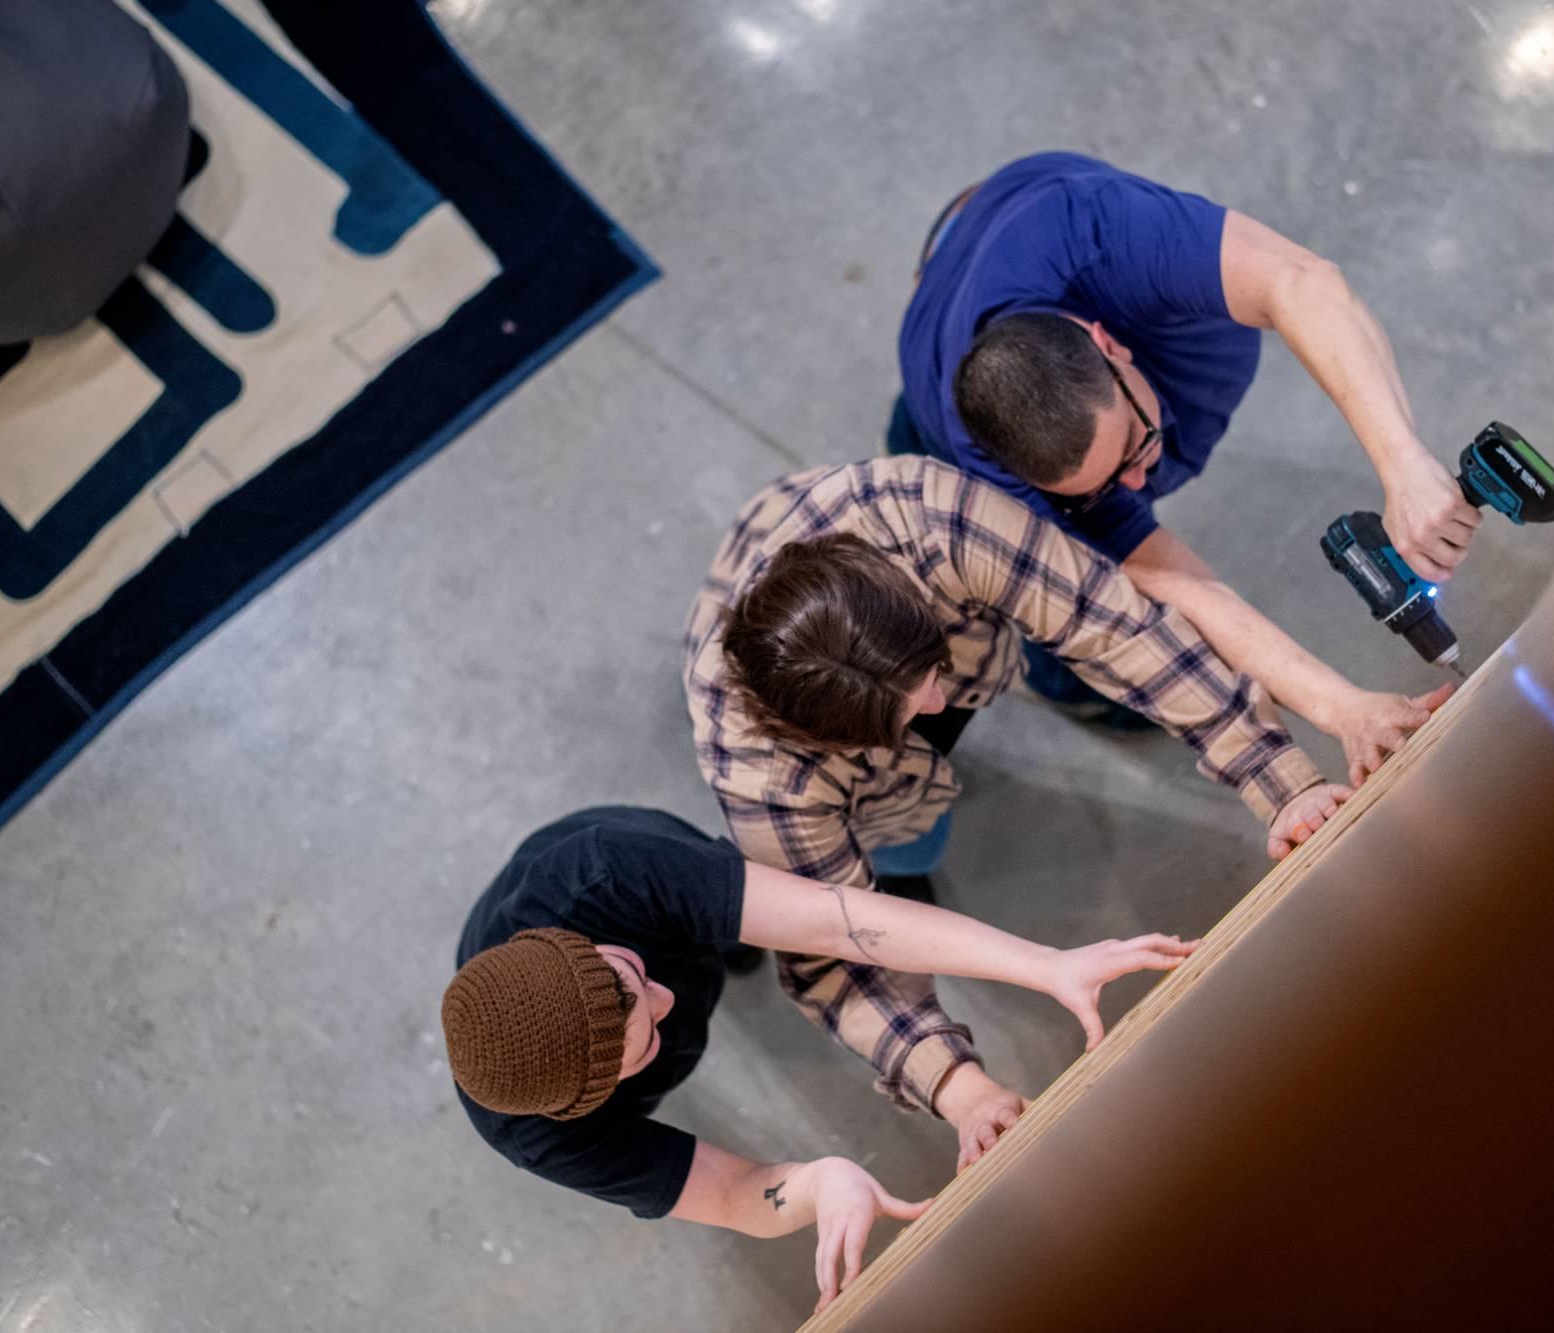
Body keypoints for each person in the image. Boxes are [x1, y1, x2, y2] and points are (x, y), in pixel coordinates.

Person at [682, 455, 1442, 1168]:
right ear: (825, 739)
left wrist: (1280, 779)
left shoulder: (930, 515)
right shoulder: (764, 772)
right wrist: (958, 1086)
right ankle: (888, 855)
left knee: (940, 757)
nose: (942, 701)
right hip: (834, 774)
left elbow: (1116, 627)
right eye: (914, 711)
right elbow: (830, 955)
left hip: (849, 614)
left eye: (934, 671)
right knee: (899, 852)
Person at [442, 805, 1194, 1312]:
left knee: (736, 924)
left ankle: (720, 932)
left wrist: (1044, 963)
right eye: (646, 1040)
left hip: (628, 864)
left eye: (632, 975)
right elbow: (736, 1193)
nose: (667, 1001)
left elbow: (840, 924)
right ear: (597, 1096)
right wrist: (816, 1183)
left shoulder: (607, 871)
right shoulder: (545, 1135)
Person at [895, 151, 1463, 776]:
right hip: (935, 342)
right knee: (1067, 592)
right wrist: (1344, 710)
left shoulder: (1103, 236)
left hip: (994, 212)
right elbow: (1172, 580)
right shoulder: (990, 462)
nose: (1139, 484)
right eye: (1105, 488)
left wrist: (1405, 464)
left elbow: (1304, 281)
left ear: (1107, 340)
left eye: (1136, 446)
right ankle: (1063, 685)